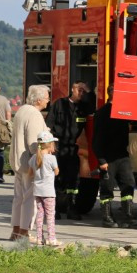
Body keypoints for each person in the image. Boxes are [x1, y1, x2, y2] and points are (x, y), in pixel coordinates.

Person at [92, 85, 137, 228]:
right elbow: (97, 139)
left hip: (122, 155)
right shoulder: (102, 113)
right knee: (107, 188)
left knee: (128, 184)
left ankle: (128, 216)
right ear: (112, 94)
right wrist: (101, 160)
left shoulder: (123, 112)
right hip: (108, 157)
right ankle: (107, 218)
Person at [10, 85, 50, 242]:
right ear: (39, 99)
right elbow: (34, 144)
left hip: (18, 160)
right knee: (30, 199)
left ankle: (15, 231)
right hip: (29, 163)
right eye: (47, 97)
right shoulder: (34, 114)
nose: (48, 101)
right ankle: (25, 232)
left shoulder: (22, 109)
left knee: (18, 197)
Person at [46, 81, 88, 219]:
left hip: (73, 149)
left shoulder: (82, 108)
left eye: (83, 90)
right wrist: (50, 145)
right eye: (79, 89)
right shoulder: (59, 104)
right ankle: (55, 209)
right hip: (59, 147)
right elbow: (49, 125)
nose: (81, 93)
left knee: (73, 180)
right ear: (72, 89)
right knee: (57, 178)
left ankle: (72, 208)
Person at [29, 130, 61, 247]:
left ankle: (39, 238)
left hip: (37, 191)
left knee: (40, 215)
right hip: (49, 192)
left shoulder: (33, 158)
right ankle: (51, 239)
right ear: (50, 145)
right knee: (50, 215)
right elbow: (57, 172)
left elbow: (30, 174)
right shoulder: (51, 159)